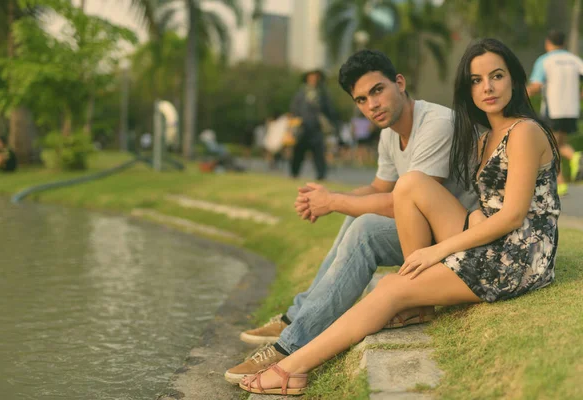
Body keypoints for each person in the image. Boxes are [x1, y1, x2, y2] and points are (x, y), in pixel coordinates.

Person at [237, 37, 561, 396]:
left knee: (390, 289)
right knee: (409, 184)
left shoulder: (524, 131)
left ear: (514, 79)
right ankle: (405, 301)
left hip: (519, 258)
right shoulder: (486, 134)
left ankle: (290, 367)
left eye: (496, 76)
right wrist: (330, 198)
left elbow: (514, 216)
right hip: (486, 233)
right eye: (476, 80)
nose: (487, 87)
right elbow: (475, 203)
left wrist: (436, 251)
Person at [224, 49, 478, 384]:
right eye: (361, 100)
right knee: (355, 218)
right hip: (427, 235)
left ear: (399, 83)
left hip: (460, 237)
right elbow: (377, 189)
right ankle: (297, 316)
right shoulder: (390, 134)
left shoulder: (436, 124)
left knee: (366, 229)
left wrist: (336, 201)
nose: (371, 105)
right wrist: (325, 200)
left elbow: (402, 203)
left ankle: (291, 347)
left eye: (377, 90)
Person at [527, 30, 583, 196]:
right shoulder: (575, 60)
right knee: (558, 145)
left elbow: (536, 86)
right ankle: (564, 179)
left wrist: (520, 96)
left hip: (553, 110)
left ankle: (572, 160)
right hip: (572, 110)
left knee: (551, 148)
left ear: (548, 43)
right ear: (564, 43)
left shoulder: (545, 60)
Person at [289, 69, 337, 181]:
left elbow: (329, 110)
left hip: (317, 128)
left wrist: (331, 124)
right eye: (311, 77)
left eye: (316, 77)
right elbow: (294, 109)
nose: (314, 79)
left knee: (319, 153)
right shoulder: (301, 93)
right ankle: (294, 173)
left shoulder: (323, 93)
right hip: (303, 127)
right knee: (298, 152)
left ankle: (321, 175)